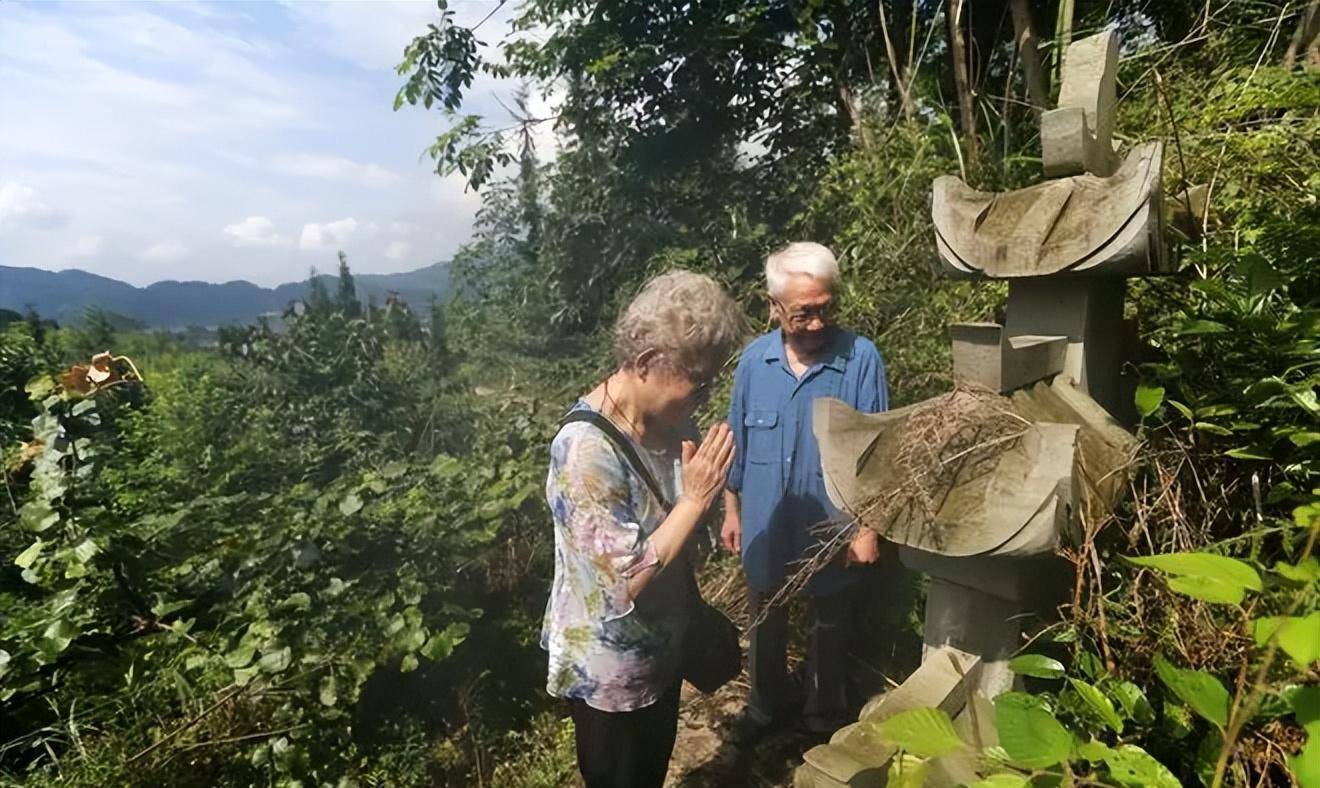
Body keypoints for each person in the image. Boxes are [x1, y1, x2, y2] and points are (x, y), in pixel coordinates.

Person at [541, 270, 745, 788]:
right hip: (613, 669)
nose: (704, 397)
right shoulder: (586, 451)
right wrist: (697, 500)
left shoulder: (674, 422)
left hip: (663, 651)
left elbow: (677, 522)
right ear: (648, 363)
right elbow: (621, 583)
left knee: (651, 772)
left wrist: (706, 499)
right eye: (699, 383)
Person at [721, 242, 889, 740]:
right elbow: (737, 442)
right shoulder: (753, 363)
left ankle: (823, 717)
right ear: (774, 308)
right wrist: (731, 511)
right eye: (803, 313)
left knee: (830, 623)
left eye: (826, 308)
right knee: (764, 619)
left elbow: (877, 454)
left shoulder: (860, 359)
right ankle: (763, 709)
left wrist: (869, 528)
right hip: (766, 521)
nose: (817, 323)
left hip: (833, 526)